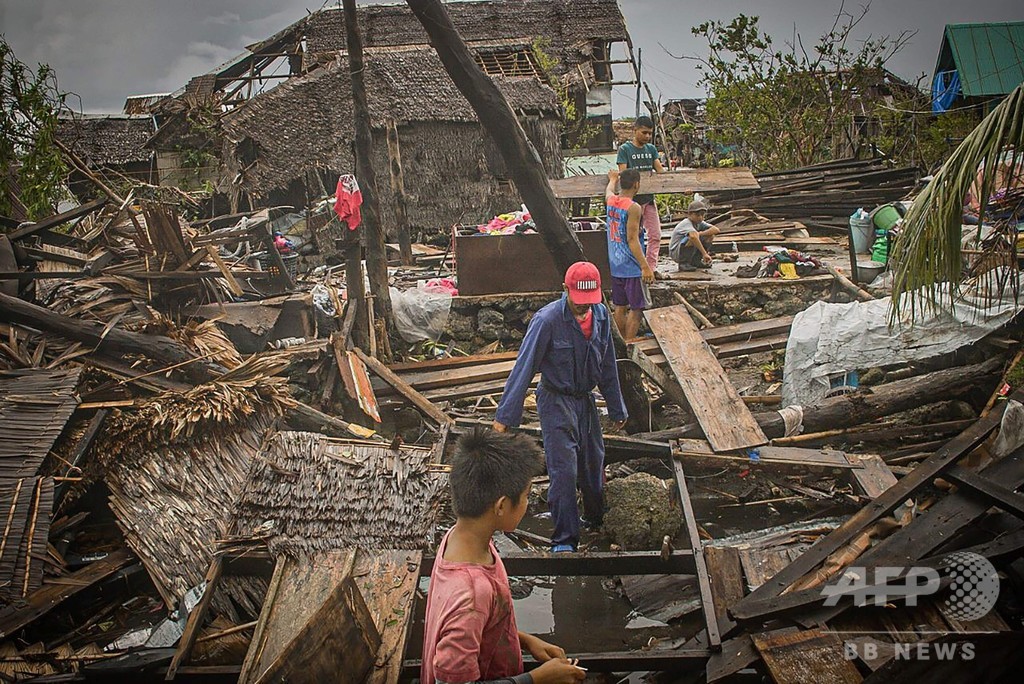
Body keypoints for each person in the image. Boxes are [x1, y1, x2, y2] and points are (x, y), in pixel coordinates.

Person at [421, 428, 587, 684]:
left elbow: (482, 626)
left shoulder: (460, 537)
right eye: (525, 497)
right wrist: (537, 678)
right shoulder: (471, 596)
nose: (527, 504)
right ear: (500, 506)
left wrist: (525, 640)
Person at [492, 261, 627, 553]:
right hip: (555, 400)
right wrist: (505, 416)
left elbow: (607, 367)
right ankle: (565, 537)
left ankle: (594, 518)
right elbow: (524, 368)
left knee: (593, 463)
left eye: (588, 303)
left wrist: (617, 408)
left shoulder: (601, 316)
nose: (583, 309)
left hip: (585, 401)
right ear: (565, 290)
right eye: (579, 302)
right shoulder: (547, 321)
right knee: (563, 469)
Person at [605, 168, 654, 341]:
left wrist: (612, 179)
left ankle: (621, 341)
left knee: (619, 305)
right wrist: (645, 266)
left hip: (615, 263)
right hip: (631, 265)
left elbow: (609, 190)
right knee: (636, 308)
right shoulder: (633, 208)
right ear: (637, 185)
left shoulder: (611, 201)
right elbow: (632, 239)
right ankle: (629, 341)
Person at [617, 115, 666, 273]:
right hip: (632, 203)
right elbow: (623, 175)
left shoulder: (651, 149)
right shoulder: (625, 149)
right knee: (633, 236)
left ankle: (651, 268)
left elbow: (660, 172)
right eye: (644, 132)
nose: (647, 136)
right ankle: (635, 268)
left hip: (648, 200)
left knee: (655, 235)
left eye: (650, 133)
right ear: (635, 130)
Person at [669, 199, 721, 271]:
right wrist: (705, 254)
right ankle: (683, 263)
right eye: (697, 215)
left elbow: (716, 230)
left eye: (702, 215)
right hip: (676, 252)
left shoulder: (699, 223)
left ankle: (696, 261)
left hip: (688, 246)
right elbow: (693, 237)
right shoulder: (686, 223)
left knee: (710, 236)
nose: (700, 217)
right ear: (689, 214)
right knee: (692, 238)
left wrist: (700, 233)